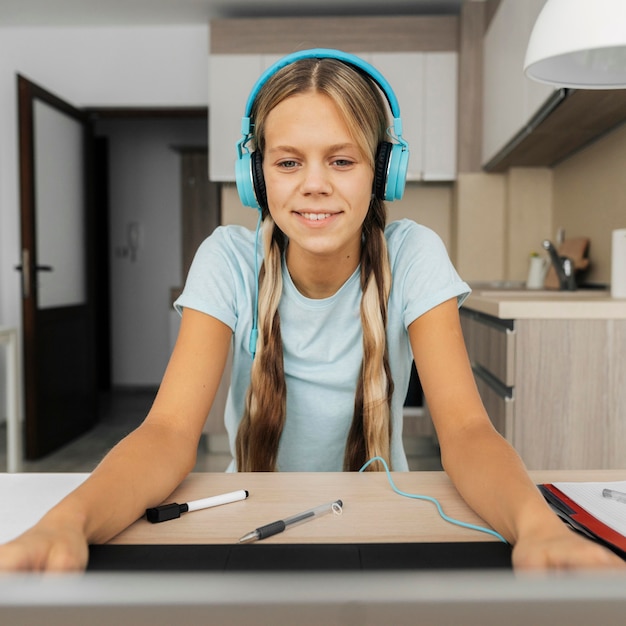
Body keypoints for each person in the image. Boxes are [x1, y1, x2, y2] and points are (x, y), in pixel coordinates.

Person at [0, 49, 622, 572]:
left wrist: (536, 527)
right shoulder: (227, 260)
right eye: (288, 161)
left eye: (343, 160)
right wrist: (70, 523)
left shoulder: (413, 256)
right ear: (257, 175)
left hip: (384, 513)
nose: (314, 184)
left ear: (383, 173)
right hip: (254, 515)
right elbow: (167, 433)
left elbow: (465, 432)